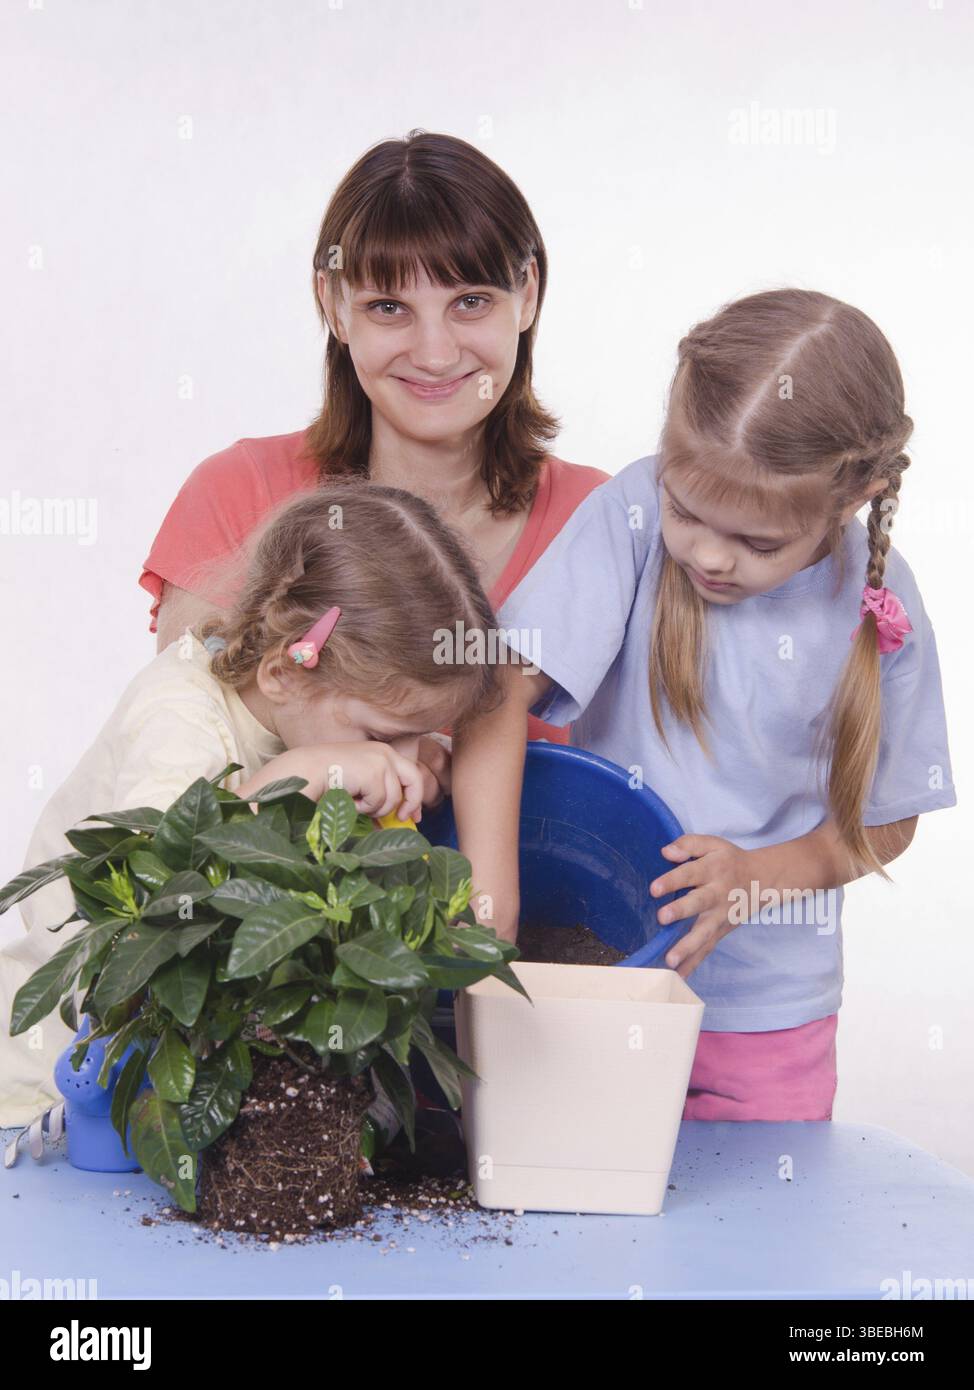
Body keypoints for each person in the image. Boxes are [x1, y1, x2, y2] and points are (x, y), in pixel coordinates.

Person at [449, 289, 957, 1121]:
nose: (710, 557)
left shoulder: (879, 598)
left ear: (857, 493)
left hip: (766, 1019)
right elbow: (500, 688)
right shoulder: (634, 514)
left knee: (750, 1232)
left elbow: (887, 821)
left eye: (760, 543)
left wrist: (752, 880)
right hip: (598, 985)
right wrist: (492, 904)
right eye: (689, 511)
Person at [0, 482, 507, 1126]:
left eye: (424, 733)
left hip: (190, 1058)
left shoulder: (310, 712)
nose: (402, 761)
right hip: (55, 1068)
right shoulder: (181, 714)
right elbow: (159, 884)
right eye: (382, 735)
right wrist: (301, 772)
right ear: (284, 673)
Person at [140, 129, 608, 768]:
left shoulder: (604, 520)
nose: (436, 353)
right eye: (389, 307)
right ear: (333, 305)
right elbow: (184, 778)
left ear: (526, 292)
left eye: (471, 301)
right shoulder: (237, 494)